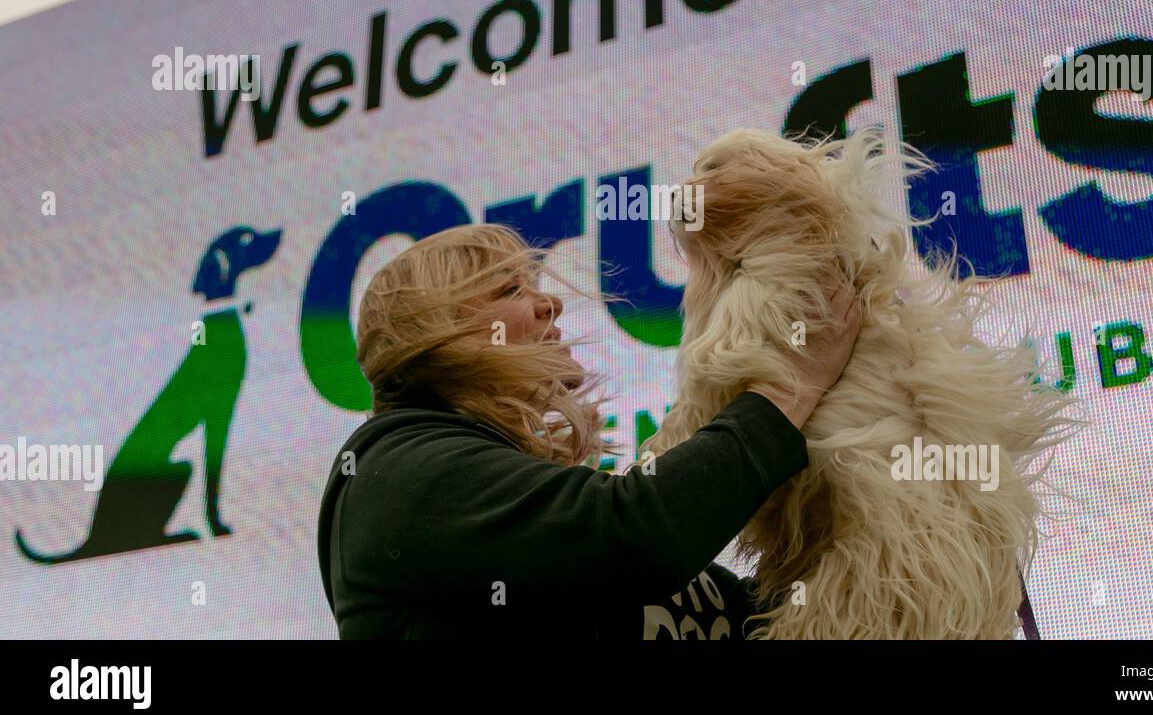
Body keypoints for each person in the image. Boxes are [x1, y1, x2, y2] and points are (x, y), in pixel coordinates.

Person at [317, 222, 862, 639]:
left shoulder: (511, 496)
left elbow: (751, 617)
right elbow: (638, 532)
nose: (550, 301)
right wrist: (789, 385)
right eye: (509, 288)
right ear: (439, 331)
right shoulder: (399, 472)